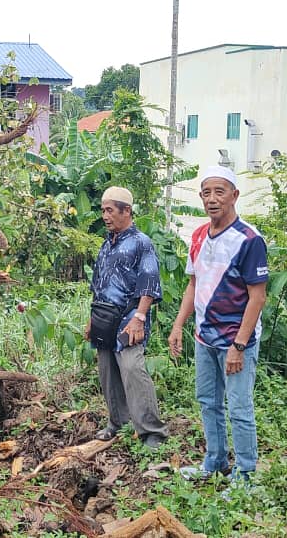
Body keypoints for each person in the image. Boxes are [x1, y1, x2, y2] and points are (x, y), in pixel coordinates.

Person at [168, 166, 268, 483]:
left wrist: (238, 346)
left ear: (234, 196)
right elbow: (193, 285)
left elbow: (257, 298)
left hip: (236, 342)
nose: (212, 199)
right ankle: (215, 462)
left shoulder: (249, 240)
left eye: (219, 192)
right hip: (204, 338)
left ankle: (246, 473)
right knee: (208, 402)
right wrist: (178, 325)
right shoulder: (197, 236)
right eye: (206, 193)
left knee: (239, 407)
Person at [84, 186, 168, 449]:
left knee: (132, 368)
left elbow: (149, 282)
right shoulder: (106, 245)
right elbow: (98, 285)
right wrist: (91, 319)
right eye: (103, 210)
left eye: (110, 210)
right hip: (103, 316)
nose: (105, 216)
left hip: (129, 316)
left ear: (126, 211)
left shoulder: (141, 242)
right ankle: (116, 422)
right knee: (107, 370)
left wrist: (140, 317)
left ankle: (152, 431)